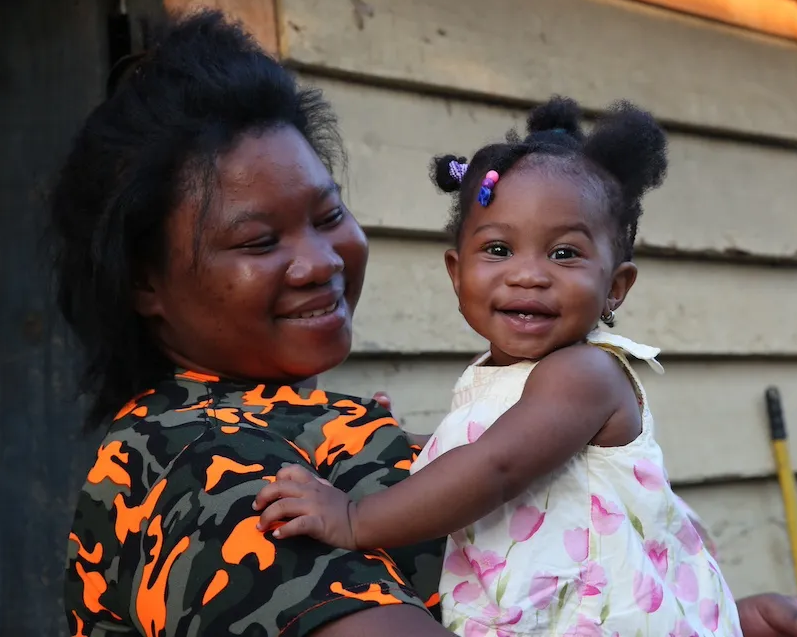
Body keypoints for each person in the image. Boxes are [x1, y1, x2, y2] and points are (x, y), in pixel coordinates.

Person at [54, 8, 797, 637]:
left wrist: (709, 615)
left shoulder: (334, 426)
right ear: (145, 282)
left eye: (328, 214)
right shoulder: (195, 463)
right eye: (260, 241)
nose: (318, 261)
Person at [254, 96, 741, 636]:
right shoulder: (501, 376)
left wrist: (353, 520)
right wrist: (401, 440)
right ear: (456, 272)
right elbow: (492, 442)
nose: (527, 275)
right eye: (499, 250)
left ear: (615, 287)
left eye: (564, 254)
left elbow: (495, 466)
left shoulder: (586, 374)